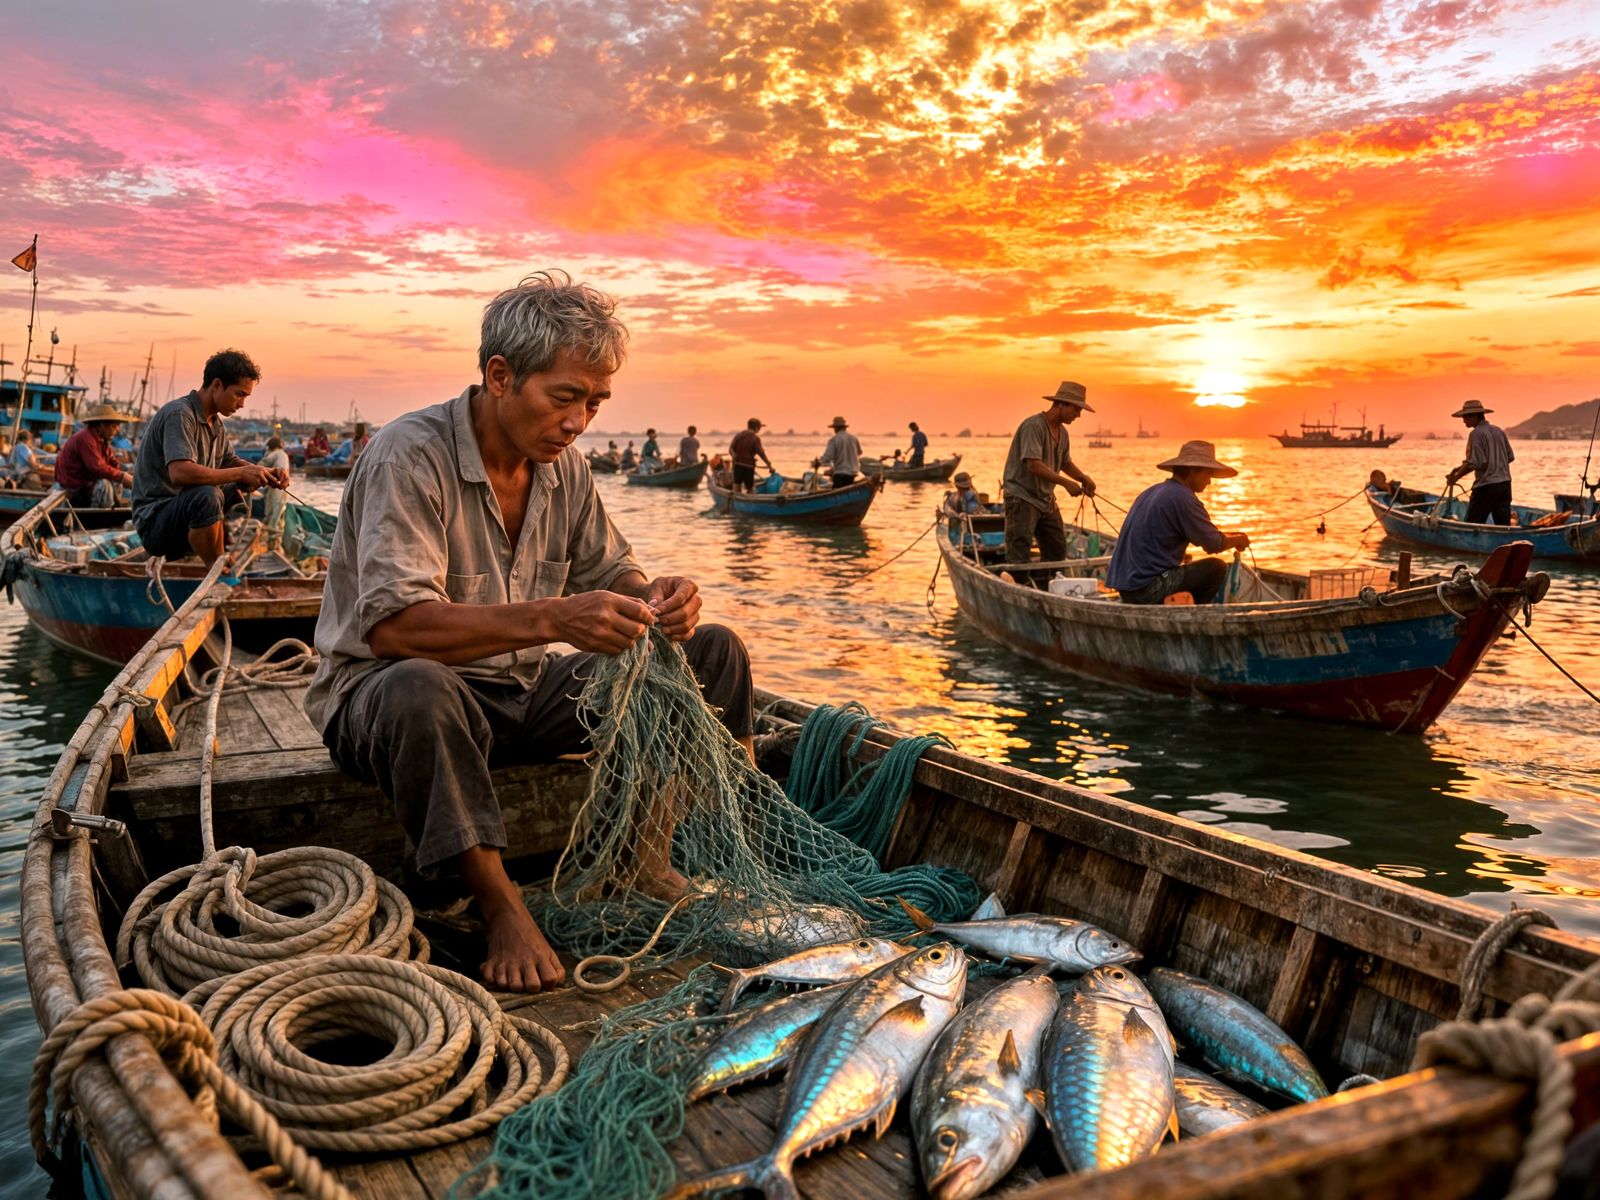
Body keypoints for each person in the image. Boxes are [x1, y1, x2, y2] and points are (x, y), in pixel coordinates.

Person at [303, 271, 755, 994]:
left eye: (594, 403)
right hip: (388, 698)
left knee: (712, 651)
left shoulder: (564, 470)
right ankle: (499, 901)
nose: (578, 421)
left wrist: (657, 600)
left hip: (521, 689)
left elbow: (611, 566)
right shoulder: (408, 454)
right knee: (420, 686)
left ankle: (643, 854)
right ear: (501, 375)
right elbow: (393, 630)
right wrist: (553, 617)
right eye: (565, 397)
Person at [131, 349, 287, 565]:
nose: (242, 404)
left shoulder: (215, 424)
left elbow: (229, 461)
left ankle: (218, 553)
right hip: (156, 523)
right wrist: (242, 471)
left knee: (236, 486)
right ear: (216, 385)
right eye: (239, 394)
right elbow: (180, 474)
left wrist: (263, 473)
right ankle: (214, 566)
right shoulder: (180, 414)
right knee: (207, 495)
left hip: (181, 514)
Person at [1106, 440, 1251, 606]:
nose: (1209, 481)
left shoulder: (1151, 491)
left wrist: (1232, 537)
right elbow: (1213, 544)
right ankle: (1195, 617)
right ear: (1192, 471)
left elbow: (1208, 534)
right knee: (1216, 567)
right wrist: (1239, 540)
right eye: (1207, 474)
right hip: (1146, 589)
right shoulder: (1184, 498)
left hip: (1126, 588)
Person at [1001, 381, 1097, 586]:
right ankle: (1018, 588)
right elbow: (1033, 465)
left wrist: (1082, 478)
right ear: (1061, 404)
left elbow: (1065, 462)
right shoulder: (1033, 426)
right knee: (1019, 552)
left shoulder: (1063, 433)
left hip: (1045, 499)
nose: (1078, 415)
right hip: (1022, 497)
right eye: (1076, 409)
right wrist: (1065, 483)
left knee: (1057, 548)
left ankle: (1048, 588)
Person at [1445, 399, 1514, 525]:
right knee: (1503, 525)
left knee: (1472, 524)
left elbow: (1476, 463)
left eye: (1466, 416)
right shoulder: (1498, 431)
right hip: (1504, 484)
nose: (1463, 420)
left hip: (1486, 487)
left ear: (1475, 416)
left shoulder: (1476, 434)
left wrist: (1455, 478)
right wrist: (1457, 469)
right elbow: (1509, 457)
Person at [55, 403, 135, 507]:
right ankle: (100, 516)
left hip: (85, 485)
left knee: (116, 480)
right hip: (74, 488)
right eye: (114, 426)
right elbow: (98, 468)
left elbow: (113, 464)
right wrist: (122, 476)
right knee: (105, 485)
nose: (117, 430)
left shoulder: (102, 441)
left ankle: (114, 508)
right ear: (102, 426)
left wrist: (129, 475)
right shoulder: (85, 439)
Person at [814, 416, 862, 488]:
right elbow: (859, 452)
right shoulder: (854, 438)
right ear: (844, 427)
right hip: (853, 474)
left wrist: (818, 463)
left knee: (837, 489)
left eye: (834, 428)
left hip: (840, 475)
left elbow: (828, 457)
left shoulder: (834, 440)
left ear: (836, 428)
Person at [260, 436, 292, 548]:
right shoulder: (282, 454)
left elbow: (261, 464)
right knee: (277, 515)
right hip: (280, 487)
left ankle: (270, 543)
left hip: (274, 487)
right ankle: (273, 544)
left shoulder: (275, 453)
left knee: (271, 513)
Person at [729, 418, 773, 491]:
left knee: (737, 486)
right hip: (748, 467)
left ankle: (736, 501)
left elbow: (730, 449)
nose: (759, 430)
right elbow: (761, 453)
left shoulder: (738, 435)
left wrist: (734, 457)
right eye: (759, 428)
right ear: (756, 428)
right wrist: (768, 464)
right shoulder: (755, 438)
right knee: (750, 488)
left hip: (737, 466)